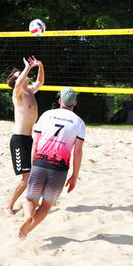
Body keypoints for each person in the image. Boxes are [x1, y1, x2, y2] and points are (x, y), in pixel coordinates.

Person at [18, 87, 85, 239]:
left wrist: (34, 165)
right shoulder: (79, 123)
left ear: (60, 101)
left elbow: (35, 142)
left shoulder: (47, 115)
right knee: (46, 205)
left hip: (40, 162)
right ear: (75, 102)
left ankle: (28, 216)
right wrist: (74, 175)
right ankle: (29, 228)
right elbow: (78, 152)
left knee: (30, 200)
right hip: (60, 168)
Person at [5, 56, 44, 215]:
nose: (23, 75)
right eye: (19, 75)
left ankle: (30, 201)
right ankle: (8, 206)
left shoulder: (29, 91)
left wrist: (40, 66)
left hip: (29, 139)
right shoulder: (18, 93)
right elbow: (19, 82)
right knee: (26, 177)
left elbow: (40, 82)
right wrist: (27, 67)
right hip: (19, 140)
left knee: (35, 173)